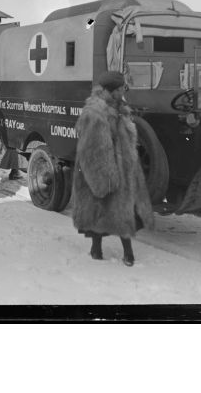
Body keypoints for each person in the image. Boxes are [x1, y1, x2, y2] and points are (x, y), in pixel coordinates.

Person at [72, 71, 154, 266]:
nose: (122, 92)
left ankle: (127, 252)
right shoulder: (94, 113)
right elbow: (90, 149)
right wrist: (105, 175)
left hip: (122, 169)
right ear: (109, 90)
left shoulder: (120, 109)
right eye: (118, 89)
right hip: (101, 171)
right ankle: (96, 249)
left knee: (122, 211)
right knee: (99, 209)